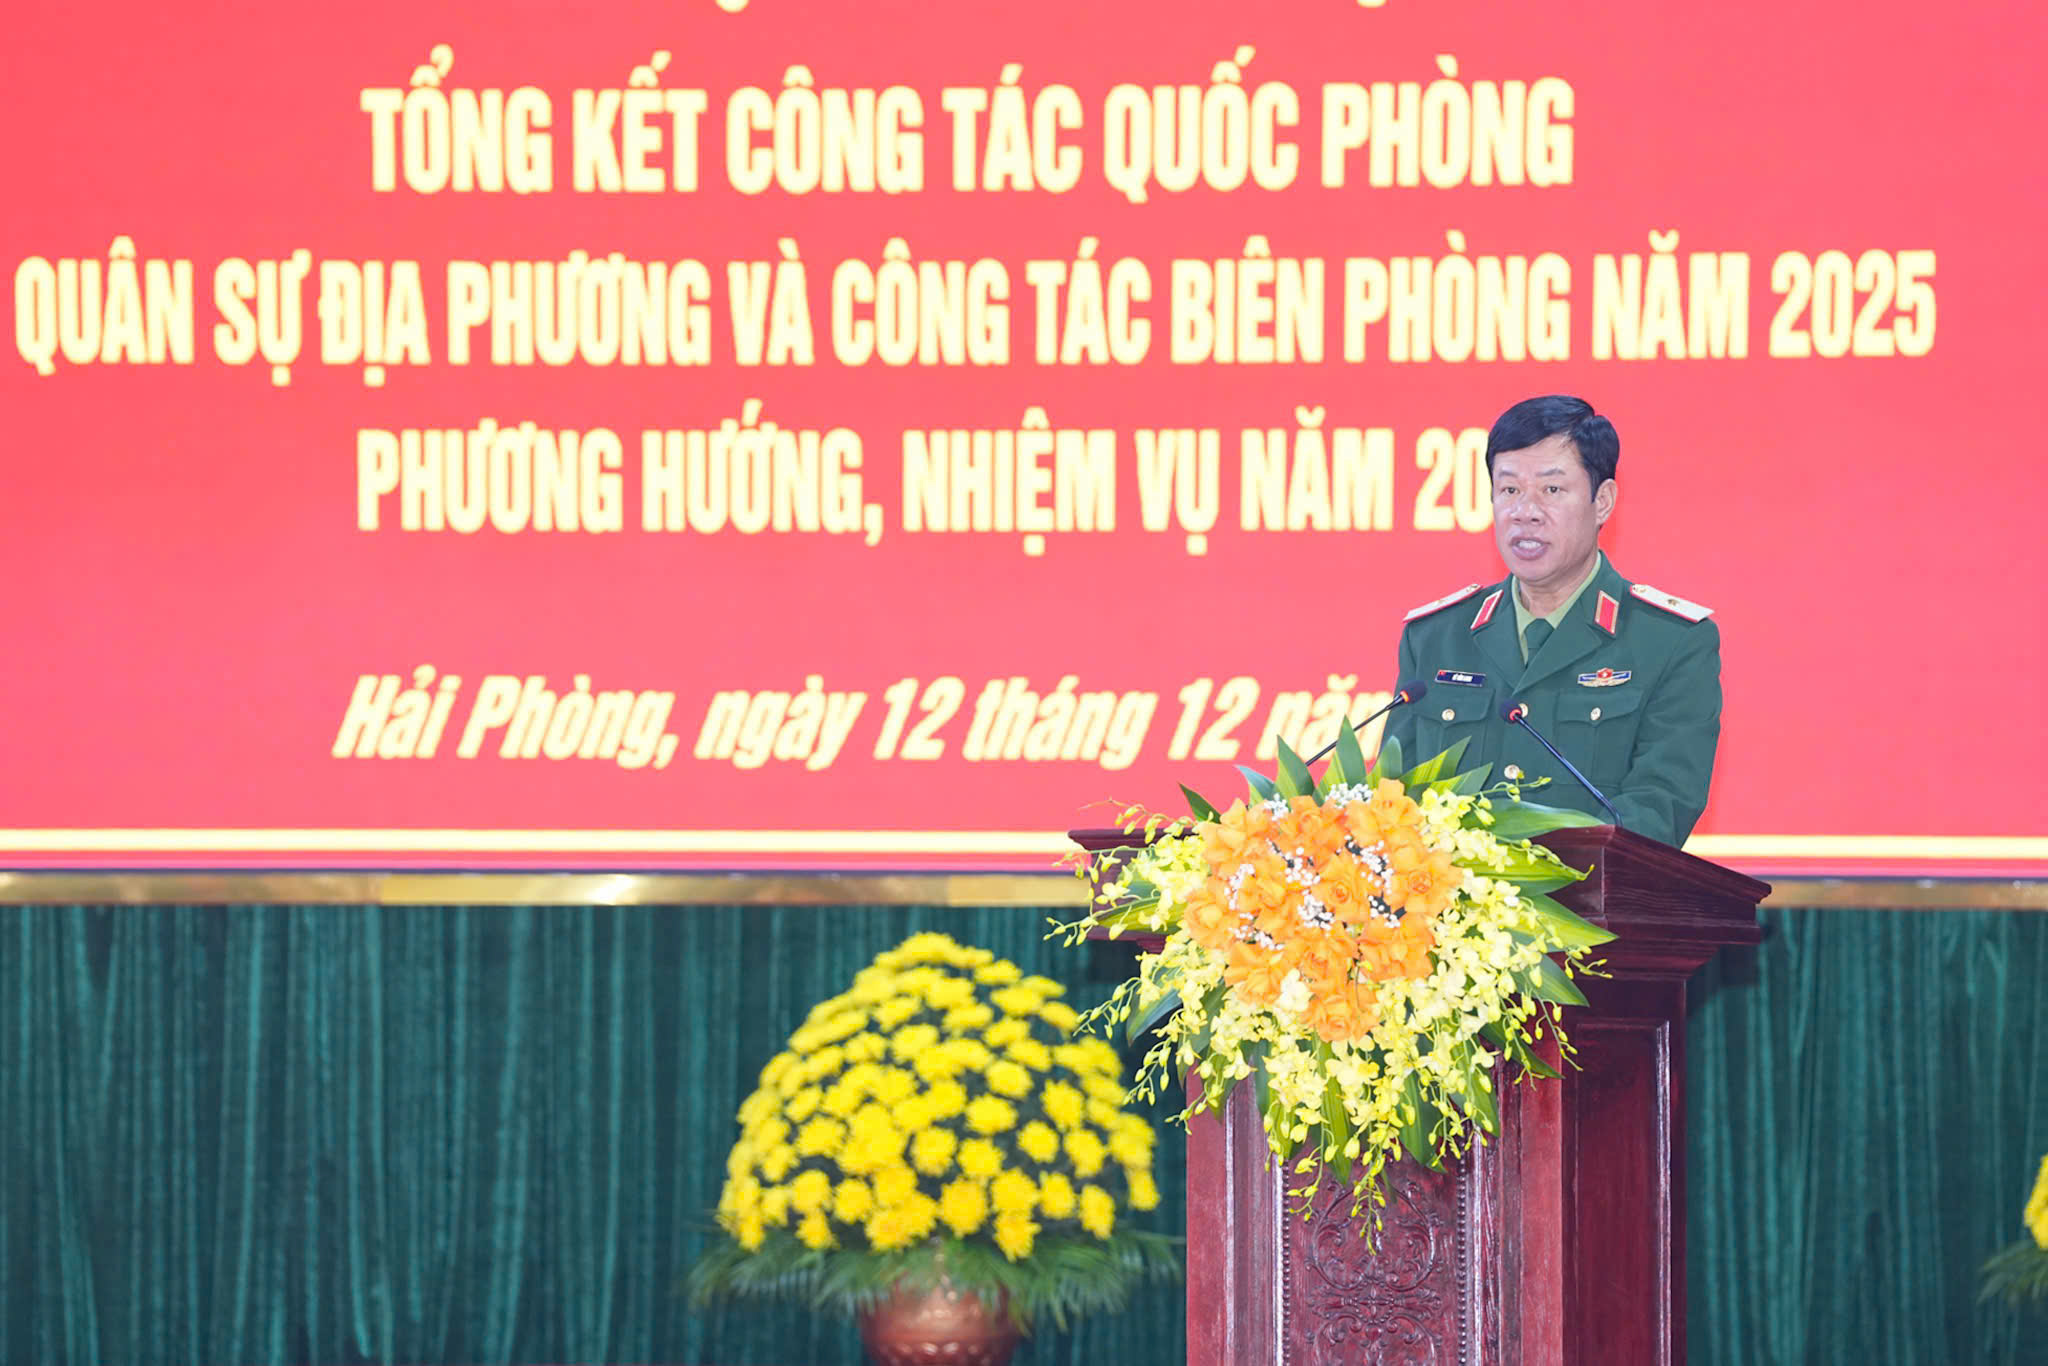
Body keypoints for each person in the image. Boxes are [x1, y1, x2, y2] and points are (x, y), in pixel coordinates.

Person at [1380, 396, 1721, 847]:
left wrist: (1523, 873)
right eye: (1509, 490)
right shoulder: (1434, 638)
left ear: (1603, 501)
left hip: (1589, 892)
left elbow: (1659, 808)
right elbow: (1395, 804)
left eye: (1552, 490)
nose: (1525, 511)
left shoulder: (1670, 642)